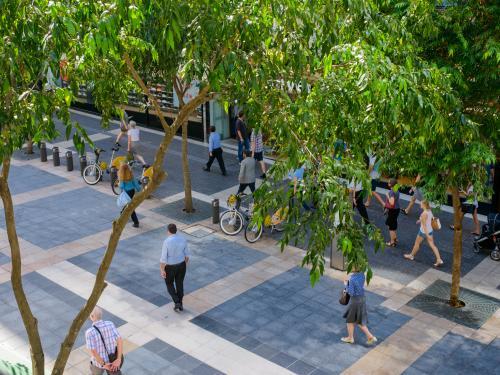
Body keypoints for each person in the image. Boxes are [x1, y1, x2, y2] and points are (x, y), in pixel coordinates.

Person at [341, 268, 377, 345]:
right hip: (362, 298)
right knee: (357, 320)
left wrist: (346, 285)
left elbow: (351, 293)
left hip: (355, 301)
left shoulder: (352, 279)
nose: (348, 265)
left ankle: (351, 338)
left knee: (350, 320)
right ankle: (370, 337)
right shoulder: (362, 274)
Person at [404, 200, 444, 267]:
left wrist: (427, 234)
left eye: (421, 204)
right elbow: (429, 219)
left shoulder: (424, 213)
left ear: (424, 205)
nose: (420, 204)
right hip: (430, 230)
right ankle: (439, 259)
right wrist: (420, 220)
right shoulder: (429, 211)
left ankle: (411, 256)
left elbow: (424, 225)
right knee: (432, 245)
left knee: (417, 243)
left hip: (423, 232)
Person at [160, 223, 190, 312]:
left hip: (170, 267)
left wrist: (162, 269)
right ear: (176, 230)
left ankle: (177, 302)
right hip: (181, 265)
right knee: (179, 284)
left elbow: (163, 258)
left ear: (168, 231)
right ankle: (180, 303)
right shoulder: (183, 239)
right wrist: (183, 264)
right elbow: (187, 256)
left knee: (169, 283)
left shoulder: (166, 241)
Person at [85, 306, 123, 375]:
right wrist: (119, 359)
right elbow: (119, 340)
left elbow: (93, 351)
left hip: (98, 364)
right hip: (113, 361)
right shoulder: (110, 324)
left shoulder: (89, 332)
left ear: (92, 316)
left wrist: (103, 364)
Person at [118, 164, 141, 228]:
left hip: (126, 192)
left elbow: (122, 186)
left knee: (129, 207)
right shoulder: (131, 175)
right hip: (132, 191)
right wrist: (139, 189)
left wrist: (119, 184)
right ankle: (122, 213)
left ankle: (136, 222)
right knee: (128, 204)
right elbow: (136, 184)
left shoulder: (122, 176)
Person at [385, 178, 400, 247]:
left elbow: (391, 202)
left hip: (393, 210)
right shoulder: (396, 189)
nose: (388, 184)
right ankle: (395, 238)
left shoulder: (391, 192)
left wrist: (387, 196)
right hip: (397, 209)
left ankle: (392, 242)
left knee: (390, 226)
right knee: (392, 224)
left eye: (389, 183)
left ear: (391, 184)